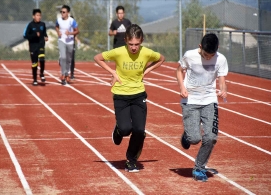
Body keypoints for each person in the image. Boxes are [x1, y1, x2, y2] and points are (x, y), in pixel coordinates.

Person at [94, 24, 165, 172]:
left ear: (142, 41)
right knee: (126, 129)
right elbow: (98, 58)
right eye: (131, 44)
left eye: (137, 44)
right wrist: (113, 73)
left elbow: (161, 58)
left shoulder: (146, 53)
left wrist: (147, 70)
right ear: (126, 40)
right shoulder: (119, 52)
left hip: (139, 95)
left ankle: (131, 160)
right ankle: (119, 130)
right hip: (121, 95)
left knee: (139, 130)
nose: (134, 48)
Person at [176, 33, 228, 182]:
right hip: (190, 100)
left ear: (217, 48)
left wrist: (223, 90)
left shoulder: (221, 59)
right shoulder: (189, 56)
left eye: (211, 55)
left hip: (209, 100)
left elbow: (222, 79)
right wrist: (181, 87)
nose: (207, 58)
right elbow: (179, 70)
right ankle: (188, 134)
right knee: (194, 139)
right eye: (205, 55)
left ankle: (199, 168)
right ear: (200, 47)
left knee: (211, 138)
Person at [23, 9, 48, 86]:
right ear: (33, 16)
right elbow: (25, 36)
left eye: (40, 15)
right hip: (33, 46)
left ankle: (42, 74)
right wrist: (34, 35)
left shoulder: (43, 24)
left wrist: (46, 37)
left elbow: (45, 33)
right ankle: (35, 79)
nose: (39, 17)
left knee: (42, 59)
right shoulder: (30, 25)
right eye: (37, 15)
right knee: (34, 63)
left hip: (41, 45)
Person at [56, 5, 79, 85]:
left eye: (64, 12)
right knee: (63, 57)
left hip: (70, 42)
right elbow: (56, 26)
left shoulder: (72, 21)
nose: (62, 13)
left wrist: (70, 33)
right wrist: (58, 32)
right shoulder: (59, 20)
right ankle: (63, 74)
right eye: (61, 12)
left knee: (69, 60)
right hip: (61, 40)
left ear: (68, 13)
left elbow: (77, 31)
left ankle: (67, 73)